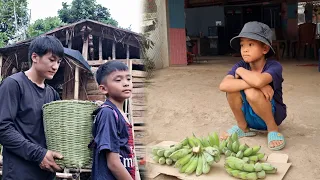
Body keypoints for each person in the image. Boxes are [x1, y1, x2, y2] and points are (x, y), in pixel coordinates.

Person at [0, 35, 64, 179]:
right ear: (35, 57)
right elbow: (3, 128)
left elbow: (59, 130)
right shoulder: (13, 84)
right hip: (19, 173)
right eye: (51, 60)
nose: (55, 66)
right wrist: (38, 154)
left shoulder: (52, 93)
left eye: (59, 62)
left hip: (46, 173)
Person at [219, 21, 287, 150]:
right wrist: (258, 85)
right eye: (242, 44)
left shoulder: (274, 66)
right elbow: (223, 85)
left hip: (272, 115)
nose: (245, 49)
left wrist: (242, 74)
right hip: (249, 116)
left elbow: (258, 81)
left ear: (265, 49)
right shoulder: (240, 65)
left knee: (250, 92)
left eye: (250, 44)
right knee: (233, 90)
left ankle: (273, 129)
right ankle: (242, 127)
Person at [90, 61, 135, 180]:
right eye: (118, 80)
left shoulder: (120, 114)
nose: (126, 84)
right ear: (104, 89)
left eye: (128, 79)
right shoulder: (108, 114)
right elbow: (113, 163)